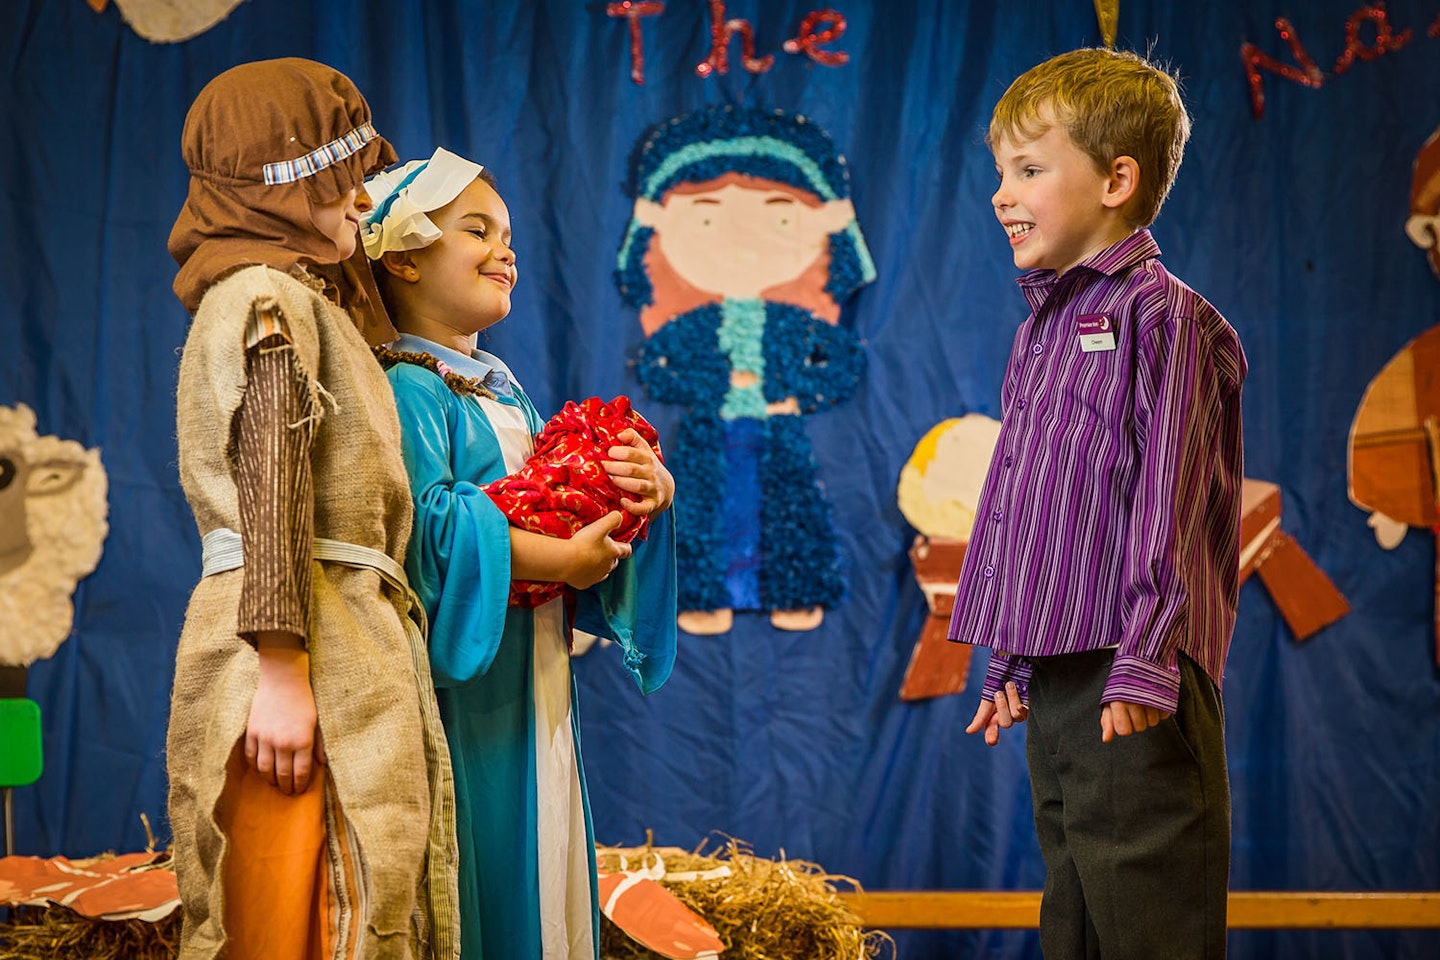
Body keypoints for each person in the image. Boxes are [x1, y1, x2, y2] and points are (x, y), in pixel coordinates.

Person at [947, 47, 1246, 959]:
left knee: (1146, 922)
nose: (1002, 194)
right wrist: (1012, 653)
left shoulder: (1168, 318)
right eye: (1001, 172)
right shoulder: (1040, 331)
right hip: (1063, 678)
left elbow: (1171, 503)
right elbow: (1028, 505)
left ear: (1117, 181)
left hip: (1133, 675)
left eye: (1029, 170)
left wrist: (1147, 658)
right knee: (1073, 918)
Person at [166, 59, 458, 960]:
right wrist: (283, 671)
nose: (363, 201)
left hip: (337, 631)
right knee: (300, 897)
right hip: (296, 645)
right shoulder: (267, 297)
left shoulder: (304, 300)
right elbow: (273, 478)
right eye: (340, 181)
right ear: (277, 185)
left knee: (348, 888)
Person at [361, 147, 678, 960]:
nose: (505, 251)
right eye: (477, 230)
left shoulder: (504, 389)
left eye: (508, 236)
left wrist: (642, 488)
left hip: (538, 678)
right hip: (469, 691)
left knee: (547, 853)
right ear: (402, 256)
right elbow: (424, 529)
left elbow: (558, 506)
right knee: (490, 866)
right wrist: (559, 560)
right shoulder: (408, 387)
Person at [614, 105, 875, 634]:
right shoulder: (698, 324)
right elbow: (655, 362)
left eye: (780, 219)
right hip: (713, 428)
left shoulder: (791, 323)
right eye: (706, 220)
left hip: (777, 426)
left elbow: (844, 359)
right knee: (708, 508)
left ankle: (793, 589)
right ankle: (704, 593)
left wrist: (796, 395)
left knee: (788, 504)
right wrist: (710, 386)